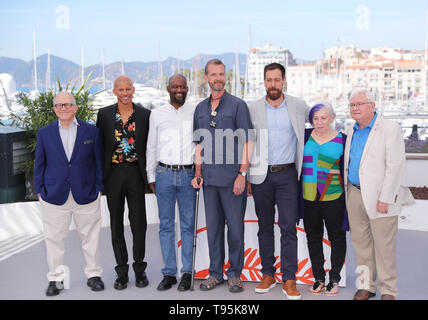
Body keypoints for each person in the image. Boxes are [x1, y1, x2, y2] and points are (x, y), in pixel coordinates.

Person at [191, 59, 254, 293]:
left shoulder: (238, 105)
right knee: (214, 229)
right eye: (213, 74)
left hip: (233, 180)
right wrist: (198, 173)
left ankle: (235, 274)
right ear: (206, 78)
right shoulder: (199, 109)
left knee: (235, 229)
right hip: (209, 181)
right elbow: (198, 145)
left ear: (224, 77)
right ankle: (215, 273)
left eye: (221, 74)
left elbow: (248, 141)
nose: (218, 78)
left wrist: (242, 174)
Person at [247, 62, 309, 300]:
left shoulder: (298, 106)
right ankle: (268, 274)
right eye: (268, 80)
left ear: (284, 81)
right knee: (264, 228)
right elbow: (247, 142)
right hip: (261, 175)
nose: (273, 84)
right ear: (264, 82)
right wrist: (248, 175)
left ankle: (290, 279)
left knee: (287, 228)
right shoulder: (253, 109)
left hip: (287, 175)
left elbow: (321, 121)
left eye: (277, 79)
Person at [34, 91, 104, 296]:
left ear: (75, 107)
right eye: (59, 105)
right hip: (54, 196)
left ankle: (94, 275)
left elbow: (98, 162)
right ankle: (55, 279)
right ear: (54, 109)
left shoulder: (91, 131)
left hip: (86, 194)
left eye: (67, 105)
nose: (63, 108)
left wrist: (99, 188)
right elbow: (40, 164)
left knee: (90, 237)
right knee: (54, 239)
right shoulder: (44, 133)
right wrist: (39, 190)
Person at [344, 90, 405, 300]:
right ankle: (365, 285)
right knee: (360, 244)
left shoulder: (390, 128)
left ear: (372, 105)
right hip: (354, 193)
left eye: (360, 104)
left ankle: (388, 290)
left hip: (381, 197)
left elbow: (395, 166)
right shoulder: (352, 130)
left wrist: (385, 198)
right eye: (352, 105)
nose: (355, 108)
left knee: (384, 246)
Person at [96, 75, 151, 290]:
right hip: (114, 175)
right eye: (121, 89)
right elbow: (99, 148)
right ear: (114, 91)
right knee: (116, 224)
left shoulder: (145, 115)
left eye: (128, 88)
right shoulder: (104, 114)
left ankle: (139, 270)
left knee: (139, 223)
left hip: (136, 174)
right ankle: (121, 272)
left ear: (134, 90)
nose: (125, 92)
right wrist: (100, 180)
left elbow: (150, 146)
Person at [146, 74, 196, 292]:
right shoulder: (156, 114)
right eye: (175, 86)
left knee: (187, 225)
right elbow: (151, 147)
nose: (179, 90)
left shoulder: (196, 112)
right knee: (165, 225)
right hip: (164, 174)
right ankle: (169, 273)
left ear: (187, 89)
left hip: (188, 175)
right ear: (168, 89)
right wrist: (151, 176)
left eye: (182, 86)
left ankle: (186, 272)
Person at [301, 102, 348, 296]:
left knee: (336, 237)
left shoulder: (342, 139)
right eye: (315, 118)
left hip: (333, 196)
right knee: (313, 238)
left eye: (323, 118)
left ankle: (334, 278)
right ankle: (318, 277)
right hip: (309, 196)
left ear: (332, 118)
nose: (319, 122)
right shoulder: (305, 137)